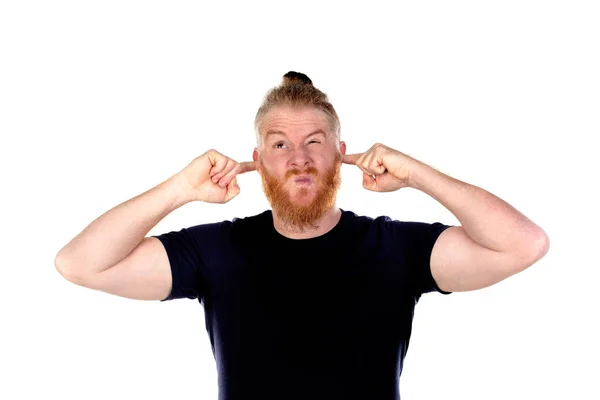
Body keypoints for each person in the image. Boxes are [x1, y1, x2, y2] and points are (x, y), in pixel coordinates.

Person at [55, 71, 549, 400]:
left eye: (315, 142)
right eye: (280, 144)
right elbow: (80, 263)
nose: (299, 158)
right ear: (258, 159)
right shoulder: (217, 250)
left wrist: (417, 174)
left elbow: (524, 244)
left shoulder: (394, 249)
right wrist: (180, 189)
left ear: (341, 154)